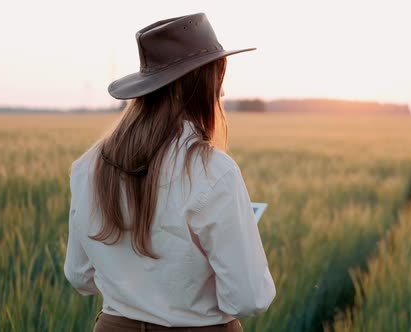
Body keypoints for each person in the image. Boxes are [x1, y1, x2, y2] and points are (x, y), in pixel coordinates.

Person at [64, 13, 276, 332]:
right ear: (209, 81)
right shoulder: (214, 171)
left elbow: (80, 276)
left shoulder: (88, 166)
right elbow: (248, 298)